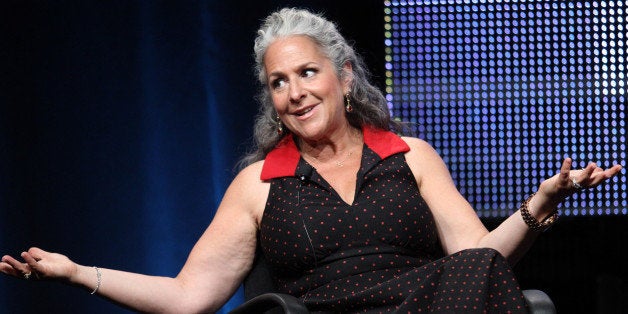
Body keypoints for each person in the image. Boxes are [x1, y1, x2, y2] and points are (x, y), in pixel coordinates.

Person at [1, 7, 623, 313]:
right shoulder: (258, 184)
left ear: (344, 77)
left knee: (479, 273)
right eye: (278, 82)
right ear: (269, 97)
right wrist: (78, 271)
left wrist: (541, 205)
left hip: (420, 305)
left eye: (307, 73)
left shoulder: (410, 156)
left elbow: (478, 261)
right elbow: (191, 296)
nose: (295, 92)